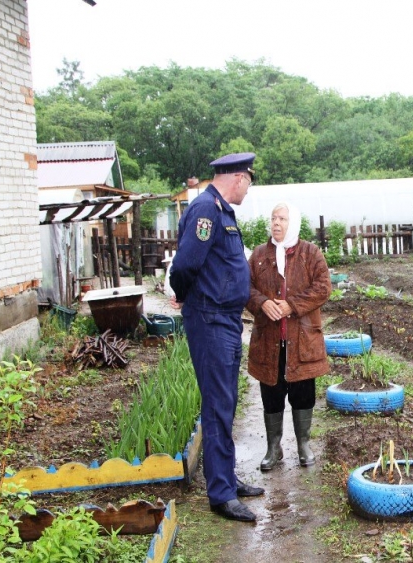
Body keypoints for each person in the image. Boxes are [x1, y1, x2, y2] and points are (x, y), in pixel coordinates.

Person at [168, 152, 264, 523]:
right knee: (217, 404)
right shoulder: (207, 211)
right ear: (238, 178)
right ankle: (221, 494)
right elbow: (186, 264)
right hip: (209, 319)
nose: (247, 189)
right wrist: (182, 293)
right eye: (248, 182)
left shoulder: (220, 209)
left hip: (223, 318)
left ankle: (227, 478)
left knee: (225, 402)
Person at [246, 202, 331, 472]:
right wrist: (261, 302)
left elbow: (323, 287)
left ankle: (303, 444)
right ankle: (274, 448)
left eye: (282, 218)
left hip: (302, 339)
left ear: (292, 222)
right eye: (273, 218)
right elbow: (243, 287)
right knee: (271, 393)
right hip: (269, 341)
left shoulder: (310, 253)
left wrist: (291, 305)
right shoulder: (259, 255)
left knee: (303, 393)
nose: (276, 223)